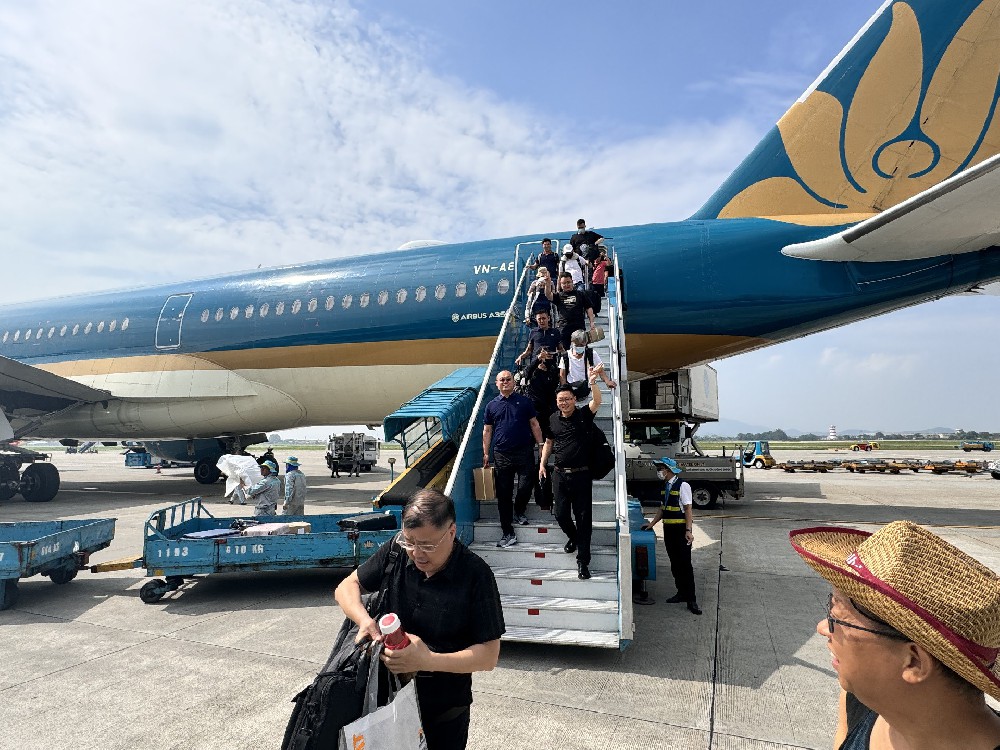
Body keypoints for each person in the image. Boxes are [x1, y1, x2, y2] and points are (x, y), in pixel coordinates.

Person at [789, 520, 1000, 750]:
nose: (822, 628)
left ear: (914, 661)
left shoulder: (870, 697)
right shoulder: (861, 700)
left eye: (837, 618)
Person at [334, 489, 505, 750]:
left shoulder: (476, 575)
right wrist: (364, 620)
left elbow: (489, 656)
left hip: (443, 714)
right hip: (386, 706)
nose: (417, 553)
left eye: (427, 545)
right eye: (410, 542)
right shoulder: (396, 550)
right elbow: (346, 586)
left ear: (451, 532)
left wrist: (427, 660)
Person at [539, 375, 602, 580]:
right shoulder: (552, 419)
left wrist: (593, 382)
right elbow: (549, 442)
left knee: (583, 519)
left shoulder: (583, 415)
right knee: (560, 514)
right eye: (560, 400)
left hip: (581, 475)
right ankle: (574, 538)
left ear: (574, 399)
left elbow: (597, 401)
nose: (564, 403)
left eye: (567, 399)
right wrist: (542, 464)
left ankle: (583, 561)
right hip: (559, 474)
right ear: (556, 402)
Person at [483, 370, 544, 547]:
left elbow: (534, 424)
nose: (505, 382)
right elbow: (487, 430)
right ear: (497, 384)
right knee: (504, 494)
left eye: (508, 379)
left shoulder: (525, 402)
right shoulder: (491, 406)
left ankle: (519, 510)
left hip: (524, 452)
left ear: (513, 382)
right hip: (501, 454)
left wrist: (541, 445)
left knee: (525, 486)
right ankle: (507, 532)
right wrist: (486, 453)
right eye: (502, 380)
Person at [641, 457, 701, 615]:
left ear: (668, 470)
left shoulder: (683, 485)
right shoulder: (665, 486)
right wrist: (652, 524)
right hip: (668, 530)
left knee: (685, 565)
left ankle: (691, 600)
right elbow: (662, 508)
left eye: (660, 469)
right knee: (675, 563)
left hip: (680, 530)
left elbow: (688, 509)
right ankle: (681, 593)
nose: (658, 472)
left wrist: (688, 530)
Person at [521, 348, 560, 510]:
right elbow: (526, 373)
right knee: (530, 456)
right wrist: (538, 359)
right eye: (542, 357)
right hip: (531, 418)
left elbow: (556, 378)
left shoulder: (552, 373)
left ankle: (544, 496)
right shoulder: (531, 373)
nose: (544, 360)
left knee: (543, 458)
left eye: (547, 357)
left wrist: (548, 362)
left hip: (547, 417)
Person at [559, 329, 617, 397]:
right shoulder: (566, 356)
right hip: (570, 389)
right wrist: (565, 391)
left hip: (587, 388)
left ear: (586, 343)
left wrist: (607, 381)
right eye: (577, 345)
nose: (579, 347)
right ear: (572, 343)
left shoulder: (591, 354)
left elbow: (600, 370)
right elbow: (562, 375)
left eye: (581, 345)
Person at [547, 272, 597, 350]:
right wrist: (547, 283)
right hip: (564, 328)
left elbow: (589, 308)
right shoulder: (558, 296)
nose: (566, 285)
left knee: (581, 350)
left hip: (578, 327)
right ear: (560, 284)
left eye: (568, 282)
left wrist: (592, 322)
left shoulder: (581, 294)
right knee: (563, 352)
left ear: (572, 282)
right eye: (564, 283)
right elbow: (548, 295)